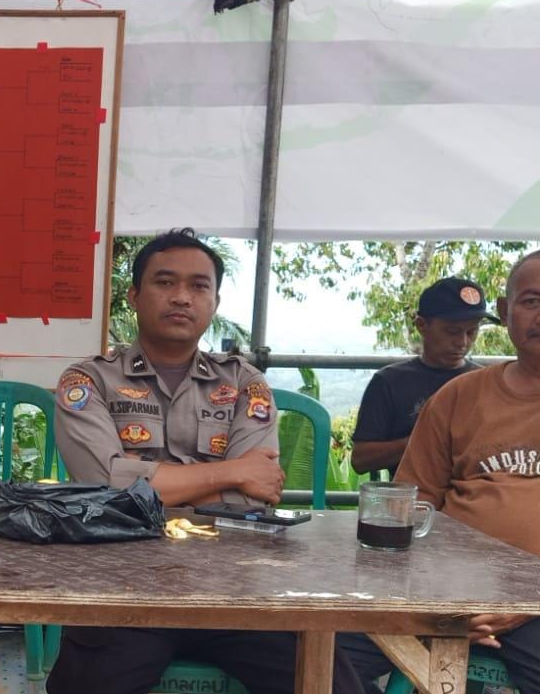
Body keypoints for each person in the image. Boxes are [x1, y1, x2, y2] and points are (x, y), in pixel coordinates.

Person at [48, 228, 364, 694]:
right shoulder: (89, 380)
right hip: (124, 585)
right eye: (165, 282)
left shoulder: (243, 382)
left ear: (214, 302)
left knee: (332, 685)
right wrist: (232, 472)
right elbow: (106, 486)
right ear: (134, 296)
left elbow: (253, 497)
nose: (182, 297)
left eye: (198, 286)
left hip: (236, 587)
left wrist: (146, 480)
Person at [340, 247, 540, 694]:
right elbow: (411, 507)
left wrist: (533, 602)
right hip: (449, 593)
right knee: (301, 648)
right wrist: (439, 595)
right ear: (506, 311)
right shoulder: (457, 396)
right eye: (531, 301)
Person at [350, 277, 497, 475]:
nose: (462, 342)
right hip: (415, 492)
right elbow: (361, 459)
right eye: (452, 331)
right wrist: (431, 439)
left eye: (471, 332)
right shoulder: (390, 382)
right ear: (421, 325)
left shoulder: (487, 382)